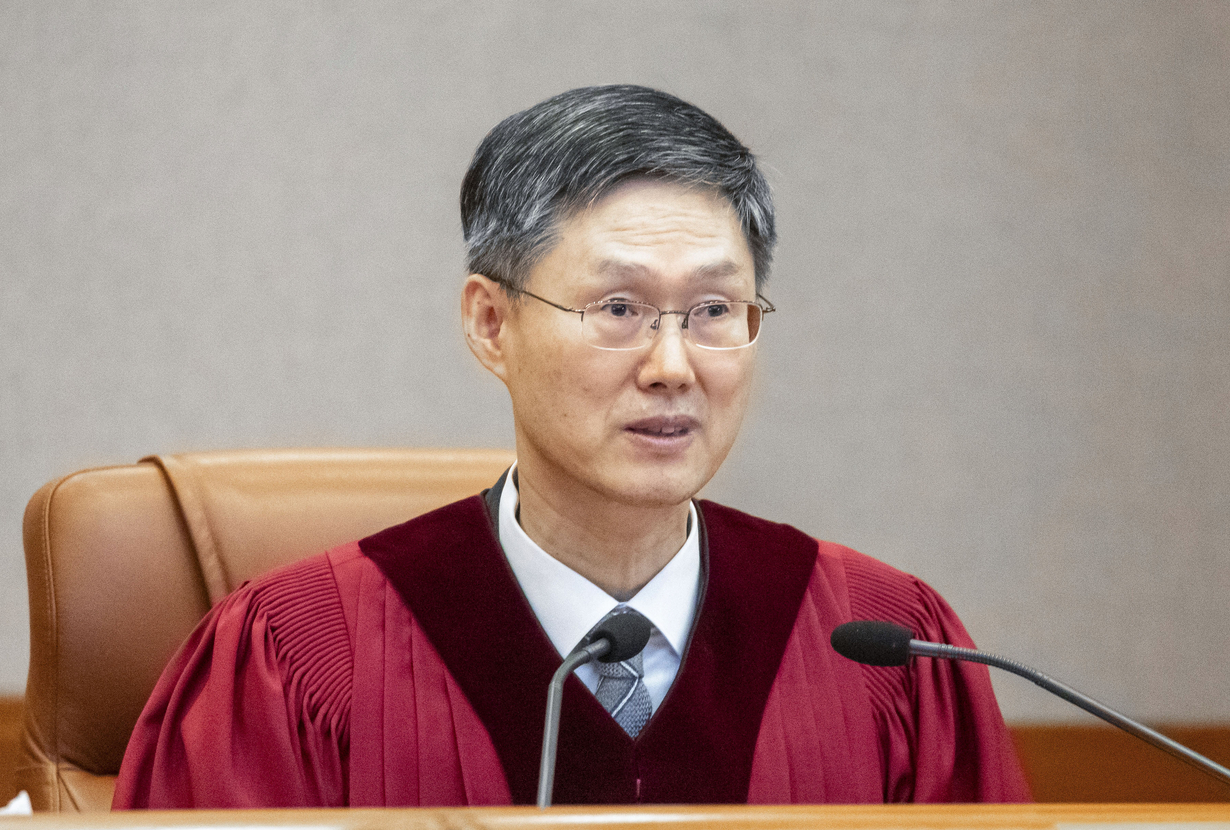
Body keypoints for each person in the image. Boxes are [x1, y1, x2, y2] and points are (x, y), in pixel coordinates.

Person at [113, 85, 1030, 808]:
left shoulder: (888, 653)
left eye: (714, 311)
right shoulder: (300, 655)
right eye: (618, 310)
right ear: (490, 324)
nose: (673, 365)